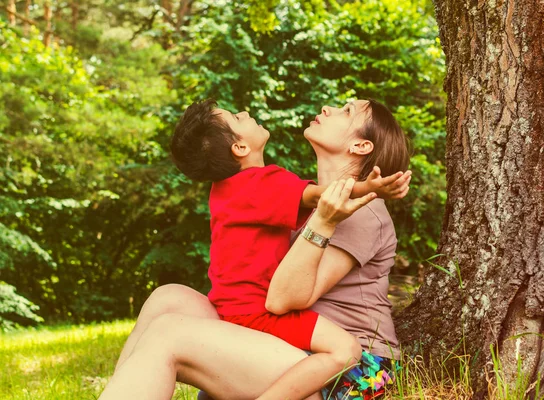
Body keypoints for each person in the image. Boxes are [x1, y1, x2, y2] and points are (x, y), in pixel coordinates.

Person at [99, 98, 411, 400]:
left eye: (346, 111)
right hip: (294, 347)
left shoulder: (362, 212)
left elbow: (281, 300)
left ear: (361, 146)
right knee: (167, 299)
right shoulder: (306, 203)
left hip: (349, 374)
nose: (328, 108)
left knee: (168, 334)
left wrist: (326, 221)